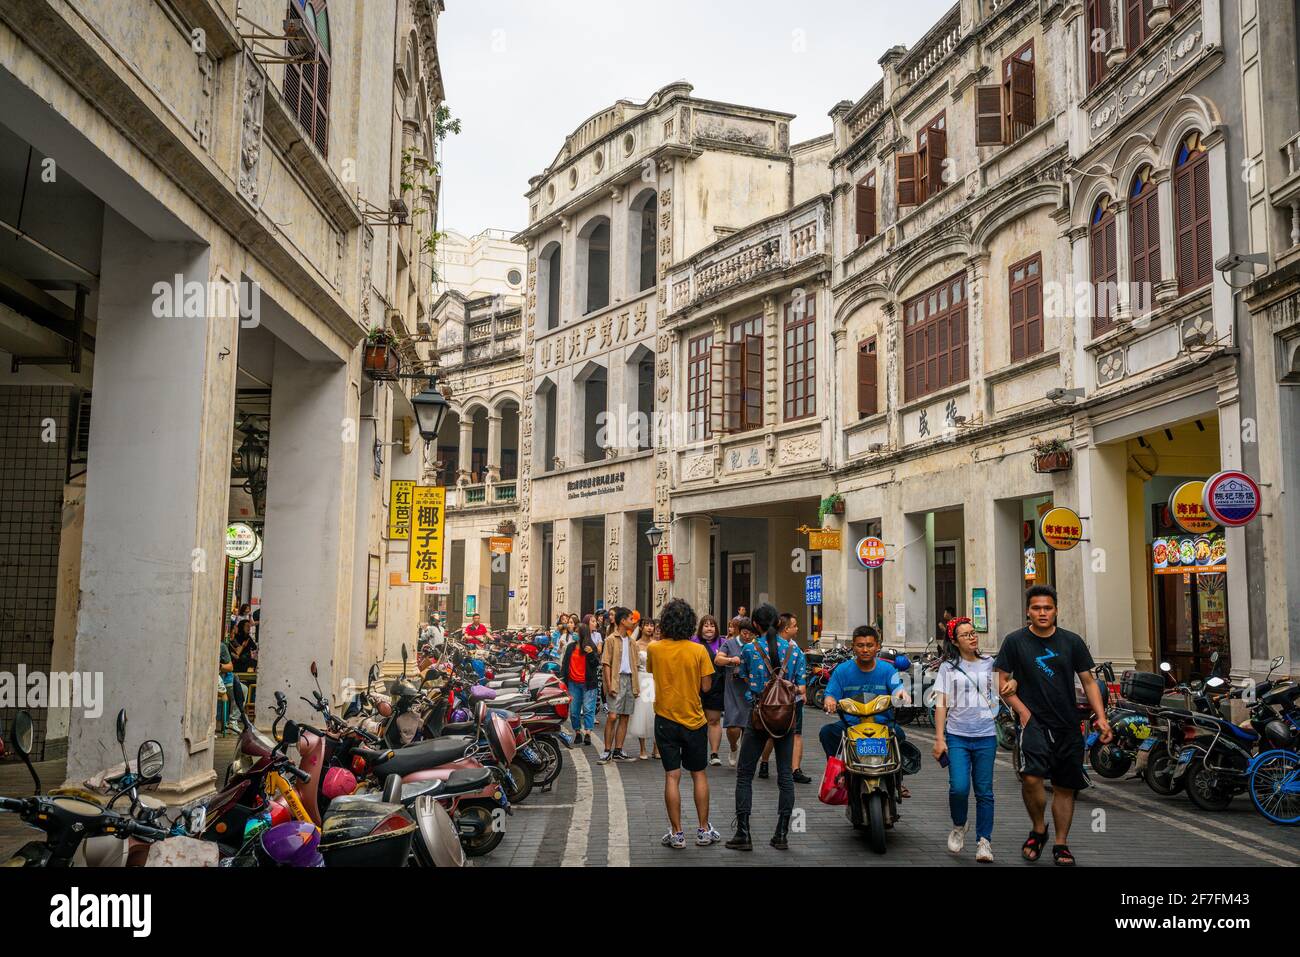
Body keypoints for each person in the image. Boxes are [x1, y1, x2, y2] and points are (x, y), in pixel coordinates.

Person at [994, 585, 1111, 866]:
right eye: (1036, 608)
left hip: (1067, 724)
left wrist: (1101, 717)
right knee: (1031, 777)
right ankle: (1038, 828)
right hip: (1033, 721)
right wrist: (1022, 712)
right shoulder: (1015, 641)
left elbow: (1088, 682)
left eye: (1047, 608)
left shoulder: (1071, 642)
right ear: (1028, 611)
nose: (1042, 613)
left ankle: (1061, 843)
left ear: (1056, 610)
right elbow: (1001, 682)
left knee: (1064, 786)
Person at [727, 604, 806, 851]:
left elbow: (746, 679)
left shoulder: (750, 649)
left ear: (757, 626)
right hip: (786, 720)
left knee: (744, 775)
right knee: (785, 777)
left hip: (759, 718)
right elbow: (801, 688)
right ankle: (782, 834)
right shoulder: (795, 652)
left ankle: (743, 833)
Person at [646, 598, 719, 849]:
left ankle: (677, 834)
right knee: (698, 774)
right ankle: (703, 830)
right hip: (694, 720)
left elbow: (654, 673)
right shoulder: (699, 651)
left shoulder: (655, 649)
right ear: (691, 623)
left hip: (665, 719)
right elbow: (706, 686)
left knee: (671, 776)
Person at [933, 616, 1006, 863]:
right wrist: (939, 738)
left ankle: (984, 841)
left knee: (985, 791)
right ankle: (959, 825)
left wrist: (1013, 682)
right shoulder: (948, 668)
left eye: (974, 633)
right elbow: (941, 703)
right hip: (957, 736)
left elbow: (1002, 688)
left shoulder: (990, 663)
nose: (972, 637)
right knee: (959, 787)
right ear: (955, 640)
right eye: (966, 634)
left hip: (985, 735)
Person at [820, 626, 912, 796]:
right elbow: (830, 694)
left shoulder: (887, 670)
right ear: (853, 647)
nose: (865, 649)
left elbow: (897, 687)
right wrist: (830, 701)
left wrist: (902, 693)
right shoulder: (842, 670)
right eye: (860, 645)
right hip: (851, 726)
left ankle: (897, 778)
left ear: (877, 646)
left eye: (869, 645)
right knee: (827, 733)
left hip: (882, 725)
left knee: (898, 734)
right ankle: (840, 772)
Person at [758, 613, 812, 783]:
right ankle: (795, 770)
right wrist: (800, 692)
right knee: (796, 734)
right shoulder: (795, 651)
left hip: (770, 700)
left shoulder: (761, 646)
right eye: (795, 625)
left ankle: (764, 763)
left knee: (771, 734)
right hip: (791, 700)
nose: (797, 628)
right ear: (787, 628)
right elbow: (801, 685)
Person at [597, 607, 641, 763]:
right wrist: (609, 685)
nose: (633, 621)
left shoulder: (632, 642)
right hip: (616, 680)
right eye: (630, 619)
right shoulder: (610, 640)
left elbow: (636, 665)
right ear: (622, 621)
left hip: (629, 680)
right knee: (612, 716)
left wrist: (636, 686)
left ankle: (618, 750)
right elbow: (606, 664)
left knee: (625, 716)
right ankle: (607, 749)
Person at [716, 617, 754, 766]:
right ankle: (733, 747)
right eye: (744, 633)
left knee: (749, 728)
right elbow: (718, 659)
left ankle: (745, 758)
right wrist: (732, 660)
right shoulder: (729, 644)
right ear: (739, 631)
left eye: (750, 634)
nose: (747, 636)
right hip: (733, 690)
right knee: (733, 727)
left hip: (750, 690)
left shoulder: (756, 645)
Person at [689, 615, 726, 766]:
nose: (709, 628)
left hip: (716, 687)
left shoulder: (723, 643)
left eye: (712, 626)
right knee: (696, 721)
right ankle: (696, 751)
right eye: (706, 625)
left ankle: (714, 753)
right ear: (700, 628)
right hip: (695, 688)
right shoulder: (693, 642)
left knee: (714, 721)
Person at [560, 624, 601, 745]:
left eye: (577, 632)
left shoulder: (590, 647)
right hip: (573, 683)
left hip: (588, 684)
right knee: (574, 711)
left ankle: (588, 733)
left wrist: (590, 654)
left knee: (588, 709)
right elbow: (565, 664)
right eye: (574, 631)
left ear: (583, 634)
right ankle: (577, 732)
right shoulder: (570, 647)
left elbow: (595, 664)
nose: (575, 634)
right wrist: (562, 679)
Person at [628, 619, 660, 759]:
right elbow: (633, 666)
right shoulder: (635, 644)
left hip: (655, 679)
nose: (649, 627)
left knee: (656, 713)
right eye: (646, 625)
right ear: (641, 627)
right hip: (641, 679)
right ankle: (642, 749)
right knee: (641, 713)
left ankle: (656, 747)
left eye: (651, 625)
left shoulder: (657, 644)